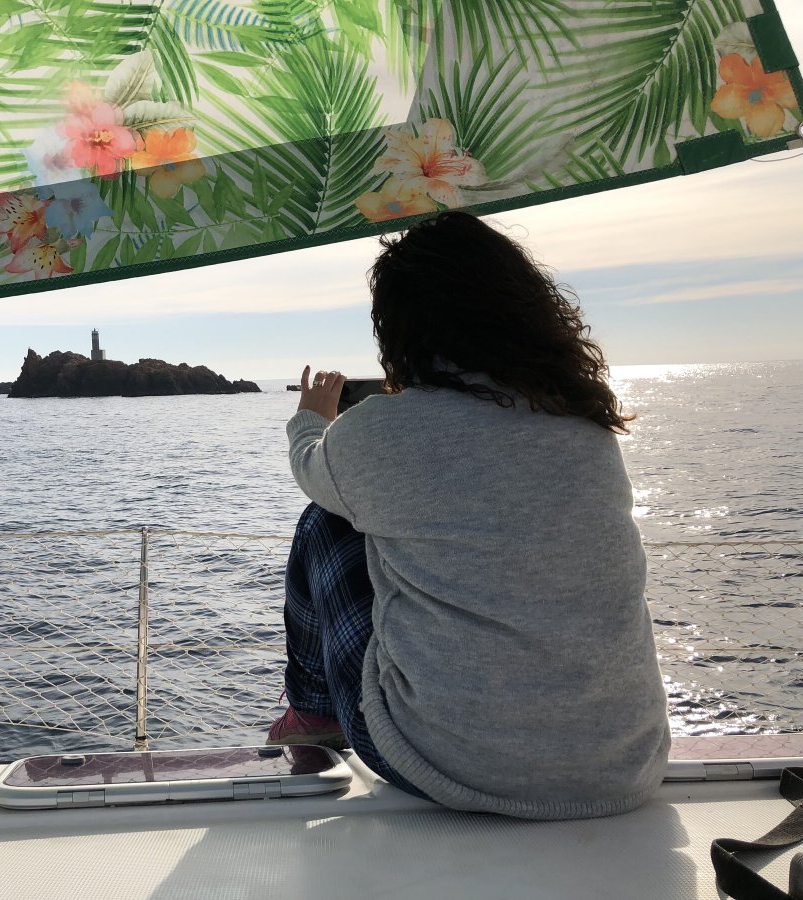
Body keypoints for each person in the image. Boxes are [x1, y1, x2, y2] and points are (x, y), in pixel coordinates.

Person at [269, 210, 671, 819]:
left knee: (328, 523)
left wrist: (313, 417)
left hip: (446, 767)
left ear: (401, 327)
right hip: (624, 764)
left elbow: (308, 467)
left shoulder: (379, 432)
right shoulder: (584, 423)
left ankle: (314, 713)